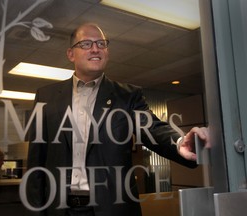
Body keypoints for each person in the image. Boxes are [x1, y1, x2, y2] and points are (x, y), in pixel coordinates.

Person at [26, 23, 210, 216]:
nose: (95, 49)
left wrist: (180, 142)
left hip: (113, 208)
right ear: (71, 54)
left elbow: (152, 128)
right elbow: (36, 162)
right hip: (60, 210)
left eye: (101, 43)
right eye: (86, 44)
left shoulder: (127, 96)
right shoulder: (46, 97)